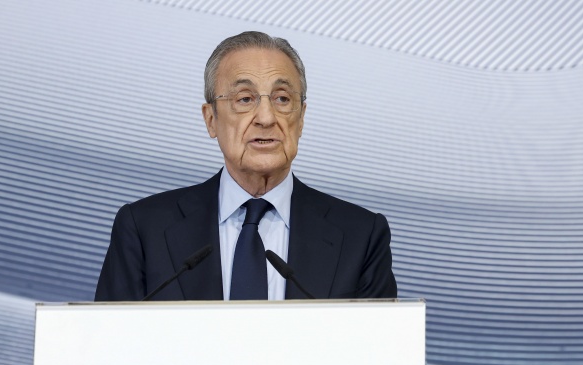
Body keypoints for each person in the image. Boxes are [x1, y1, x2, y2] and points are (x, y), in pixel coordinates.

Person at [95, 31, 397, 301]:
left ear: (302, 118)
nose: (266, 118)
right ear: (210, 119)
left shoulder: (361, 237)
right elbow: (107, 340)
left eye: (282, 99)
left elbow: (380, 345)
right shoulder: (145, 230)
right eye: (245, 99)